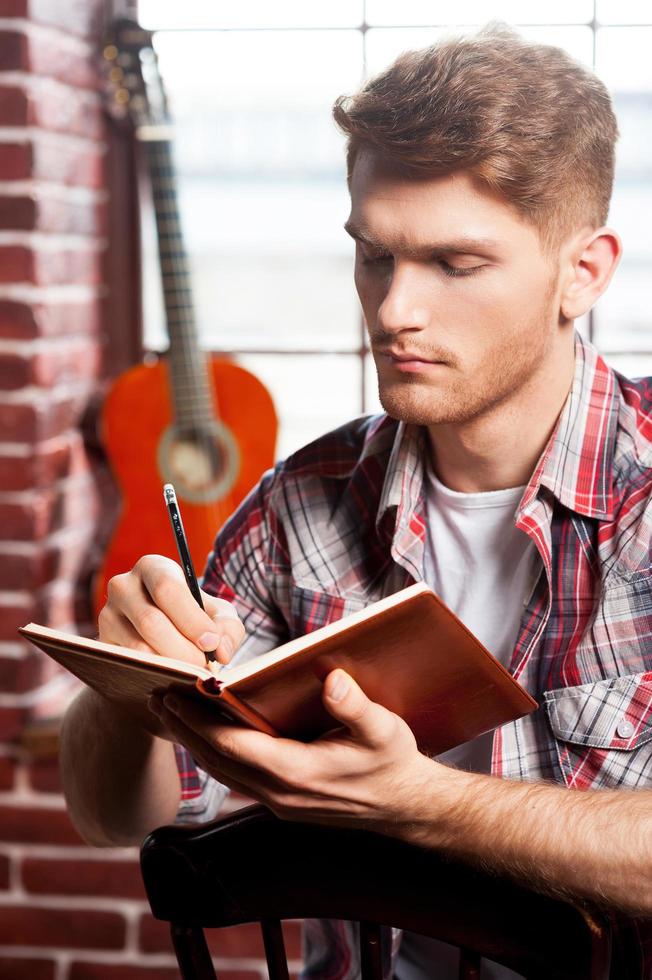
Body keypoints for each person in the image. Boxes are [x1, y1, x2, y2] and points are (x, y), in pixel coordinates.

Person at [60, 24, 652, 980]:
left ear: (582, 272)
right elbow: (111, 817)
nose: (392, 310)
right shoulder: (301, 504)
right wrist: (132, 691)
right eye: (374, 255)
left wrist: (424, 804)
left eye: (455, 265)